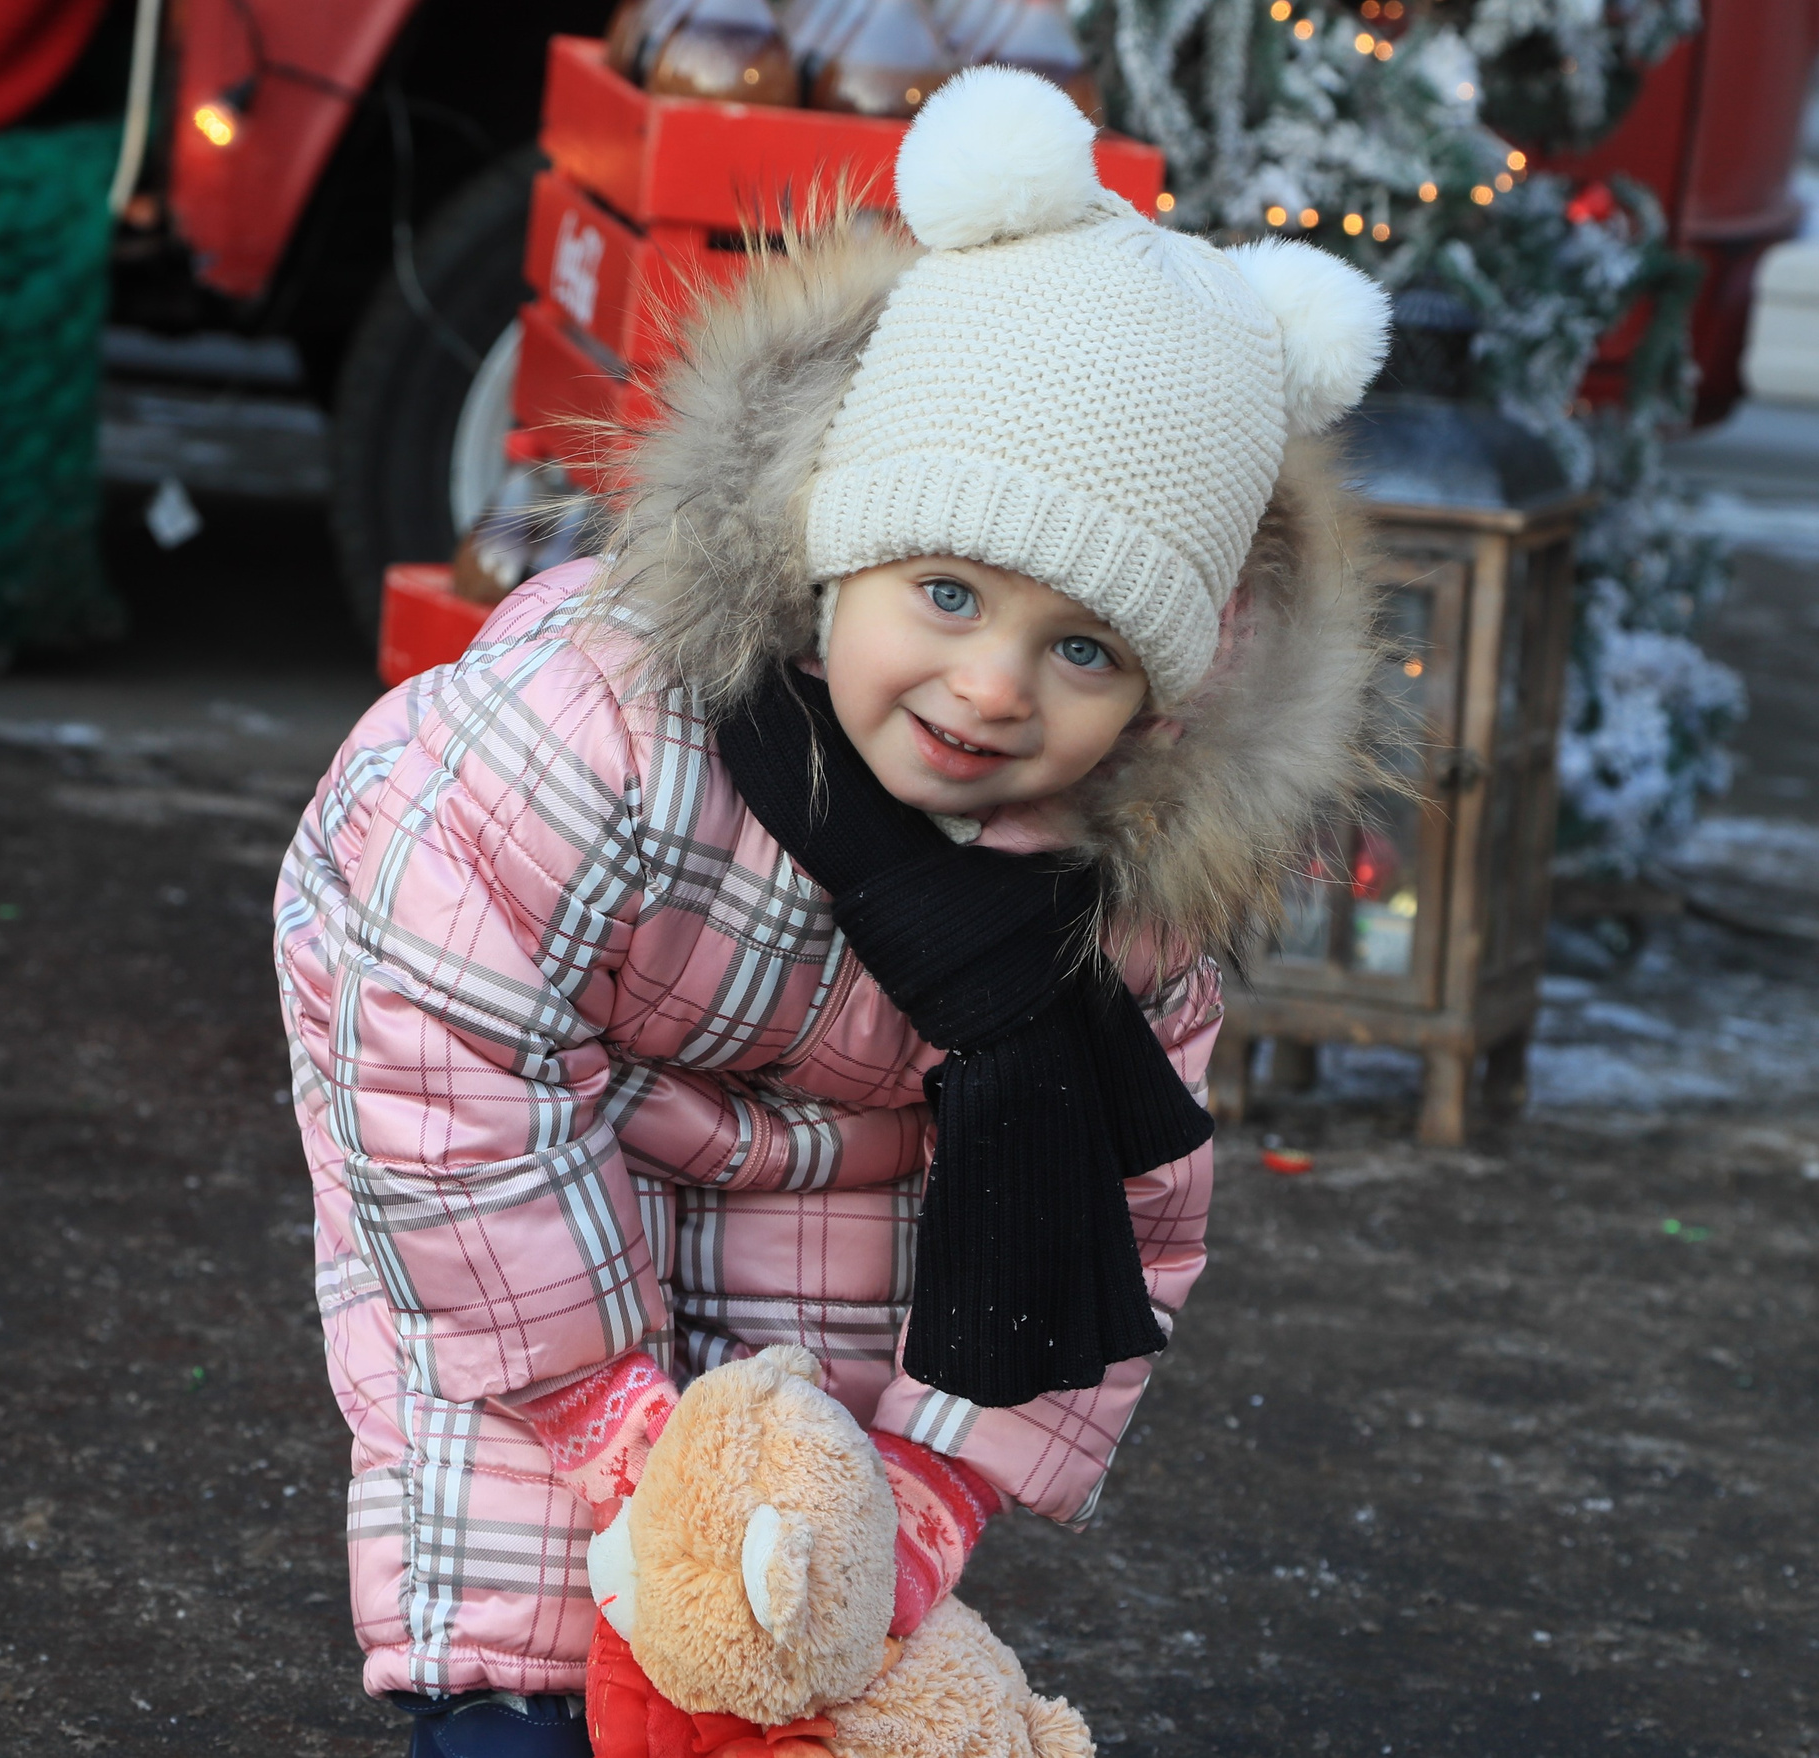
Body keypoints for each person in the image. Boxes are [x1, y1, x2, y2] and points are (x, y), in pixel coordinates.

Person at [274, 67, 1391, 1758]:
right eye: (947, 590)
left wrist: (924, 1490)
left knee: (784, 1642)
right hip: (530, 1160)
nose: (992, 686)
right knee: (531, 1632)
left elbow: (1122, 1215)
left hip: (840, 1220)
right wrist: (618, 1426)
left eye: (1085, 647)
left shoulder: (1122, 909)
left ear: (1167, 688)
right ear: (835, 544)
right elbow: (446, 1073)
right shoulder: (596, 742)